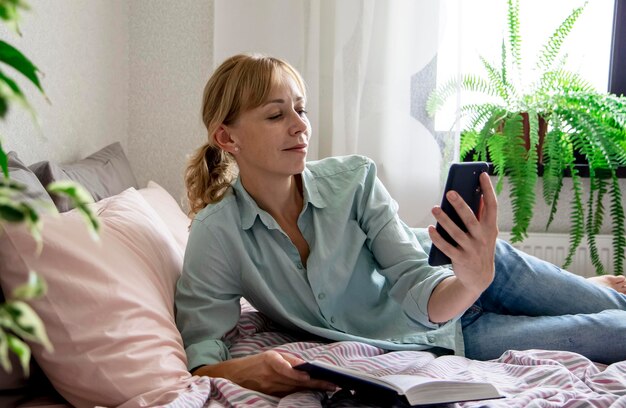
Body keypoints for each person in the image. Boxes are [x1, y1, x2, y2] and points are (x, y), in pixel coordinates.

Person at [175, 53, 626, 397]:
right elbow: (203, 344)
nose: (301, 127)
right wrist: (239, 371)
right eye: (277, 115)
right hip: (453, 331)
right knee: (614, 332)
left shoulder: (353, 180)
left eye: (301, 109)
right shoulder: (218, 232)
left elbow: (415, 278)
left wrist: (473, 280)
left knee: (611, 301)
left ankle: (580, 286)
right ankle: (575, 288)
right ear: (226, 137)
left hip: (470, 275)